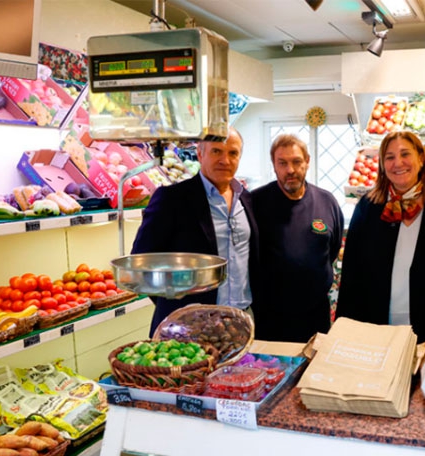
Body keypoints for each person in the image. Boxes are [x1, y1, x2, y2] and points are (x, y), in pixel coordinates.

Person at [131, 127, 260, 335]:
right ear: (200, 154)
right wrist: (175, 304)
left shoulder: (247, 200)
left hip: (239, 322)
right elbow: (143, 261)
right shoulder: (171, 199)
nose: (225, 160)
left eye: (233, 153)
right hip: (188, 325)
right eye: (217, 151)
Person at [337, 131, 425, 343]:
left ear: (420, 160)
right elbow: (351, 273)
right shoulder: (368, 207)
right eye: (389, 157)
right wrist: (345, 327)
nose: (398, 163)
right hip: (374, 326)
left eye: (405, 154)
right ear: (382, 164)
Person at [252, 134, 343, 343]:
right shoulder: (255, 203)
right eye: (282, 163)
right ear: (274, 165)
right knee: (273, 372)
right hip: (270, 316)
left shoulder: (326, 201)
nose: (290, 170)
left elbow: (332, 248)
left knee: (313, 371)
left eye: (296, 162)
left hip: (315, 313)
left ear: (307, 162)